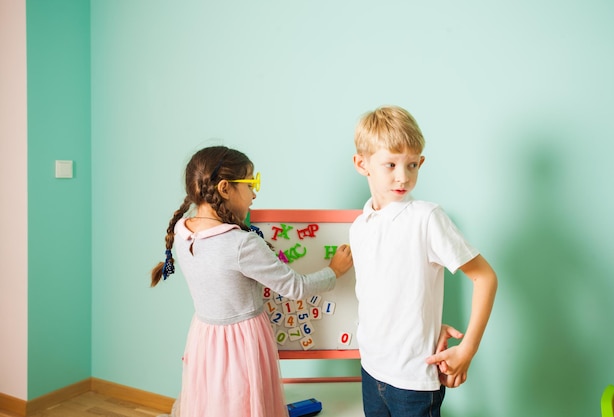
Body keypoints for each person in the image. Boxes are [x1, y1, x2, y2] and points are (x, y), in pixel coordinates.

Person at [151, 146, 353, 417]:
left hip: (204, 336)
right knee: (244, 401)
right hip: (241, 340)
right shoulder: (241, 244)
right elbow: (296, 287)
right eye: (251, 183)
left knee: (215, 402)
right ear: (225, 188)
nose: (255, 193)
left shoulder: (181, 229)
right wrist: (334, 271)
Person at [349, 106, 497, 417]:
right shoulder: (360, 227)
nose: (403, 176)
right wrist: (428, 324)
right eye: (390, 164)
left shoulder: (427, 218)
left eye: (412, 165)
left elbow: (485, 278)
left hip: (413, 380)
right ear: (362, 164)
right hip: (371, 369)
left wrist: (467, 349)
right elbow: (388, 293)